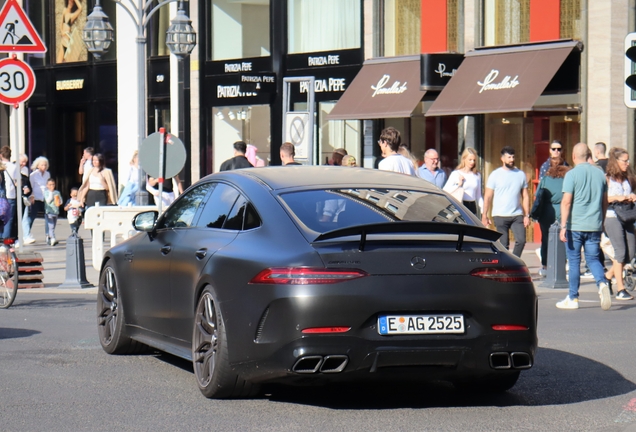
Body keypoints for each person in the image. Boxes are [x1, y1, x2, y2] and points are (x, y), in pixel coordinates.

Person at [557, 143, 611, 310]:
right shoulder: (600, 174)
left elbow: (566, 202)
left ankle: (573, 297)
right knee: (593, 259)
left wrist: (563, 225)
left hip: (575, 224)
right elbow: (604, 201)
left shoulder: (571, 175)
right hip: (594, 224)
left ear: (574, 156)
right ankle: (602, 283)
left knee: (574, 261)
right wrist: (601, 221)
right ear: (589, 156)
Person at [482, 146, 530, 257]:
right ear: (502, 159)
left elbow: (525, 196)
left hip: (516, 214)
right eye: (509, 157)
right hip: (500, 215)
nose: (511, 160)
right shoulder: (495, 175)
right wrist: (484, 215)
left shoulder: (520, 174)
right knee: (504, 244)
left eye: (513, 157)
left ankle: (514, 261)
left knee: (521, 240)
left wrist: (527, 215)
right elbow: (488, 196)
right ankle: (504, 266)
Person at [602, 147, 635, 301]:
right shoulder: (607, 178)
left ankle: (608, 276)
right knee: (620, 251)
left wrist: (632, 195)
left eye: (628, 160)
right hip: (612, 216)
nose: (627, 163)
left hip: (627, 216)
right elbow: (603, 199)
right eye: (624, 160)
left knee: (631, 252)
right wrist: (618, 197)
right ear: (616, 162)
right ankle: (620, 289)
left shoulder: (628, 177)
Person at [534, 157, 570, 274]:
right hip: (563, 211)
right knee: (564, 238)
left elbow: (538, 195)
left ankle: (545, 265)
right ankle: (563, 263)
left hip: (547, 212)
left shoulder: (545, 179)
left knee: (545, 239)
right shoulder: (567, 179)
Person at [445, 148, 483, 215]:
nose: (472, 162)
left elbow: (478, 195)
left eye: (474, 160)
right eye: (470, 160)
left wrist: (483, 211)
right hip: (460, 204)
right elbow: (445, 190)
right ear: (464, 159)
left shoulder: (477, 175)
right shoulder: (456, 173)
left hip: (472, 205)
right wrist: (458, 184)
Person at [27, 157, 51, 244]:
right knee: (32, 216)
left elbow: (48, 185)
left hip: (45, 197)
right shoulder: (33, 175)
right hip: (36, 197)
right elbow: (31, 186)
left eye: (45, 165)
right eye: (42, 165)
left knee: (48, 216)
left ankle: (49, 235)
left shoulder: (47, 174)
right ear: (38, 165)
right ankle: (26, 233)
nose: (44, 166)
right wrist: (32, 196)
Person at [0, 146, 19, 239]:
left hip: (1, 196)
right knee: (8, 219)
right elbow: (17, 181)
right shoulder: (14, 167)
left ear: (1, 155)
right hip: (11, 195)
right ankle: (5, 242)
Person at [43, 179, 62, 246]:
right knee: (51, 226)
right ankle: (53, 238)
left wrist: (59, 202)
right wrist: (51, 193)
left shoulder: (57, 192)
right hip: (49, 211)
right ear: (47, 185)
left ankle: (48, 236)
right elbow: (48, 201)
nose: (52, 186)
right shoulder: (46, 192)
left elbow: (61, 201)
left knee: (53, 226)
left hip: (56, 211)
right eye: (50, 185)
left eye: (53, 184)